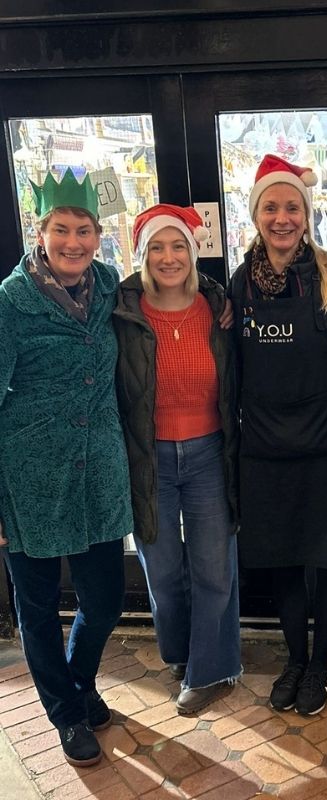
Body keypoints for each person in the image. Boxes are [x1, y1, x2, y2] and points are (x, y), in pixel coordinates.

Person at [229, 154, 327, 716]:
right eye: (271, 207)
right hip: (266, 450)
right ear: (256, 215)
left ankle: (320, 665)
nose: (282, 218)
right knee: (284, 561)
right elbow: (232, 370)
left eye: (292, 207)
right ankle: (295, 660)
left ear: (307, 213)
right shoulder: (239, 284)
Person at [0, 170, 133, 767]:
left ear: (98, 235)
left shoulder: (107, 286)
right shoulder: (10, 303)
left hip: (98, 475)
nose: (73, 242)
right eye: (61, 229)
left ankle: (78, 683)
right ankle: (65, 712)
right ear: (41, 231)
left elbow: (168, 288)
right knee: (36, 608)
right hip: (28, 481)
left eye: (83, 230)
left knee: (104, 601)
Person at [113, 204, 241, 715]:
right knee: (162, 572)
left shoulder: (218, 306)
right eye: (157, 248)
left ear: (193, 252)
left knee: (214, 568)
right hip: (149, 458)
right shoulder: (122, 312)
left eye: (178, 246)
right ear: (142, 255)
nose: (169, 258)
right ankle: (181, 653)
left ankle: (210, 669)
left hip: (209, 453)